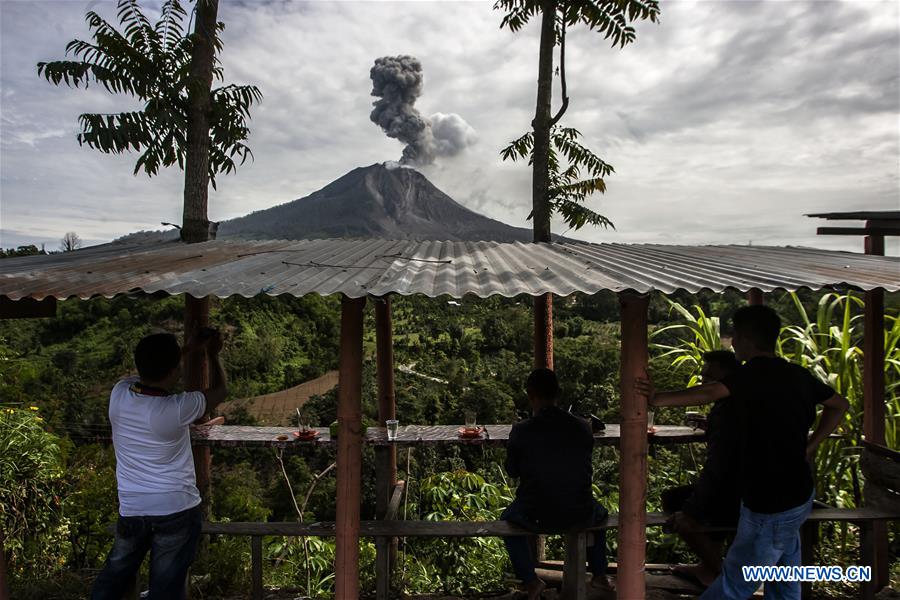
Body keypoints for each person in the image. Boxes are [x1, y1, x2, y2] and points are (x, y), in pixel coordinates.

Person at [637, 305, 848, 600]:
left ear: (746, 338)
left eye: (734, 335)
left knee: (735, 584)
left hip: (770, 502)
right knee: (784, 580)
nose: (732, 341)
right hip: (797, 494)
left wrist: (656, 398)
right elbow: (839, 404)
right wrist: (810, 446)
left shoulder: (750, 376)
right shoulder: (798, 375)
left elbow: (710, 392)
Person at [91, 329, 228, 600]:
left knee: (113, 578)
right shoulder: (176, 409)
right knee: (166, 587)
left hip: (132, 507)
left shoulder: (119, 394)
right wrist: (211, 354)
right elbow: (220, 391)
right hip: (175, 509)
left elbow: (148, 373)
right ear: (174, 370)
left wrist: (185, 351)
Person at [502, 368, 613, 600]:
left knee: (507, 522)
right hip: (579, 512)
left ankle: (531, 582)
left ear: (530, 395)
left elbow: (512, 471)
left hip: (536, 514)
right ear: (558, 393)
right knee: (600, 515)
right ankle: (600, 576)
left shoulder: (521, 430)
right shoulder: (583, 426)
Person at [661, 350, 742, 587]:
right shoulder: (733, 407)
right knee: (676, 500)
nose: (704, 381)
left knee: (680, 513)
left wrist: (690, 509)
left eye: (709, 377)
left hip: (736, 491)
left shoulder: (729, 411)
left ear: (728, 378)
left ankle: (719, 572)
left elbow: (720, 469)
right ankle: (710, 566)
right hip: (742, 487)